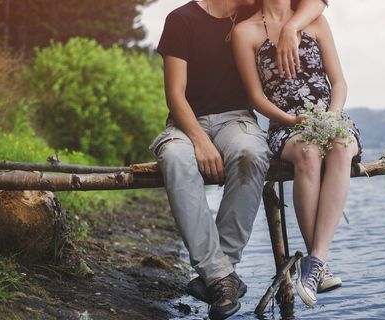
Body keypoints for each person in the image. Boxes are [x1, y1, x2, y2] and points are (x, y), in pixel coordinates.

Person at [150, 0, 328, 319]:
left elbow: (318, 3)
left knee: (252, 152)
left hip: (238, 121)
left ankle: (220, 272)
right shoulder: (181, 20)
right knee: (175, 156)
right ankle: (221, 277)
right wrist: (200, 141)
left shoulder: (252, 14)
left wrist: (290, 27)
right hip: (186, 123)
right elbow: (175, 95)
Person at [232, 0, 362, 307]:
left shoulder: (314, 21)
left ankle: (316, 260)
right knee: (308, 151)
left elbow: (339, 81)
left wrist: (332, 115)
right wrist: (291, 121)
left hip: (329, 116)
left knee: (342, 147)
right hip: (287, 123)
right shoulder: (244, 32)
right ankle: (318, 266)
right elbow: (254, 96)